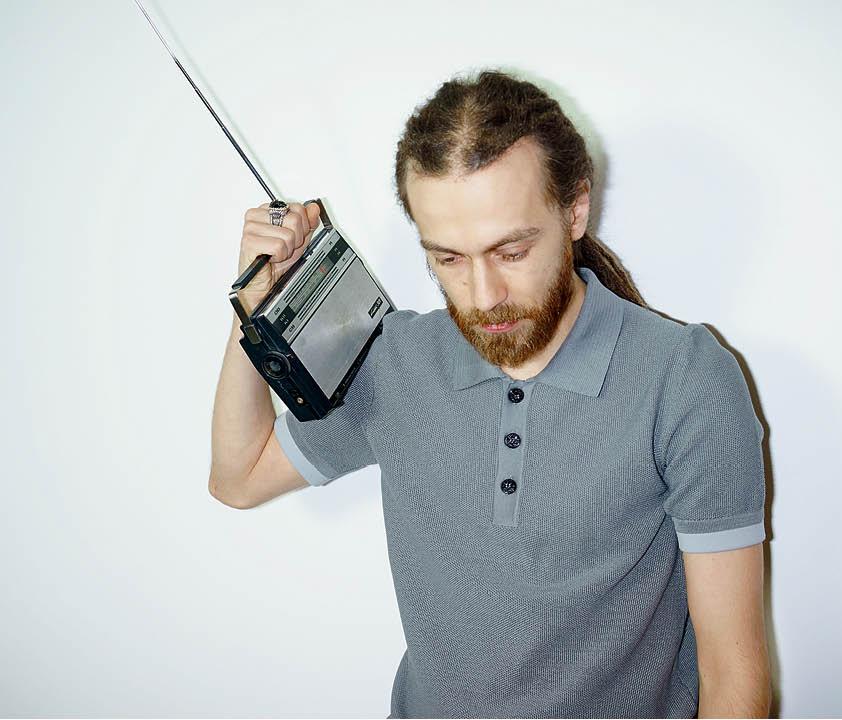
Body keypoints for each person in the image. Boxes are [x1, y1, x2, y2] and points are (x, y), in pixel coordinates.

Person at [208, 70, 772, 719]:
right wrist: (252, 305)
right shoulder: (397, 362)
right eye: (448, 259)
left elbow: (734, 676)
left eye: (511, 251)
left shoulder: (684, 378)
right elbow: (238, 477)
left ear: (575, 209)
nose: (484, 296)